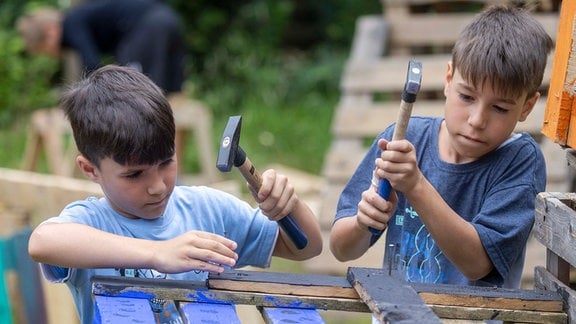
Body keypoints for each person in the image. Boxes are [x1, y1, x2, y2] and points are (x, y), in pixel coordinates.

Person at [27, 65, 323, 323]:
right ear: (90, 170)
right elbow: (43, 241)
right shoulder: (92, 222)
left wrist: (288, 206)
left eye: (166, 162)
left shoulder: (209, 210)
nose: (158, 186)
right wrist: (157, 253)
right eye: (134, 174)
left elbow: (305, 248)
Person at [330, 4, 553, 289]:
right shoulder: (403, 140)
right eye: (467, 96)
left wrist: (415, 186)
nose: (477, 120)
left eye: (499, 108)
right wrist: (362, 223)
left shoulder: (520, 161)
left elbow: (477, 264)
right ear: (449, 80)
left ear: (527, 106)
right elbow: (341, 248)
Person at [17, 0, 185, 94]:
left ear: (50, 33)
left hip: (146, 27)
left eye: (43, 50)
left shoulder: (71, 23)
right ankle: (172, 156)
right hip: (169, 19)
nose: (49, 55)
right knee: (168, 94)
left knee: (134, 93)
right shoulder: (82, 18)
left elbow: (93, 67)